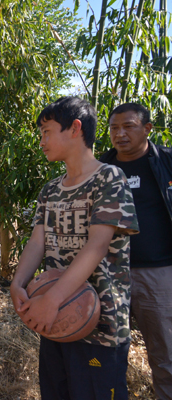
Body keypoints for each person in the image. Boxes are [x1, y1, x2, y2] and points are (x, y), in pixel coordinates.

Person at [10, 97, 139, 400]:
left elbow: (97, 245)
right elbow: (37, 241)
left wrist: (53, 298)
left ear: (75, 128)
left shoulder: (109, 178)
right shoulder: (51, 189)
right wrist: (17, 283)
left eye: (46, 131)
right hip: (56, 322)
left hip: (101, 327)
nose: (41, 140)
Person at [100, 103, 172, 399]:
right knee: (106, 351)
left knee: (165, 351)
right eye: (114, 128)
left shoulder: (166, 161)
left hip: (158, 271)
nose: (120, 134)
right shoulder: (102, 168)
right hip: (109, 275)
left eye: (128, 126)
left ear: (147, 129)